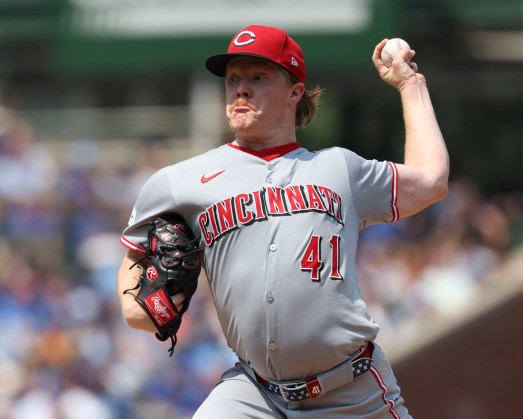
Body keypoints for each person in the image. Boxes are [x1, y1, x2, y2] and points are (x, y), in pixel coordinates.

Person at [116, 24, 449, 418]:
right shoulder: (180, 181)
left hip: (351, 391)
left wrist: (410, 85)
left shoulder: (339, 168)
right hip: (255, 393)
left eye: (258, 77)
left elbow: (431, 180)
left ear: (294, 92)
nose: (241, 88)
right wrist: (141, 307)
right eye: (234, 78)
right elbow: (134, 258)